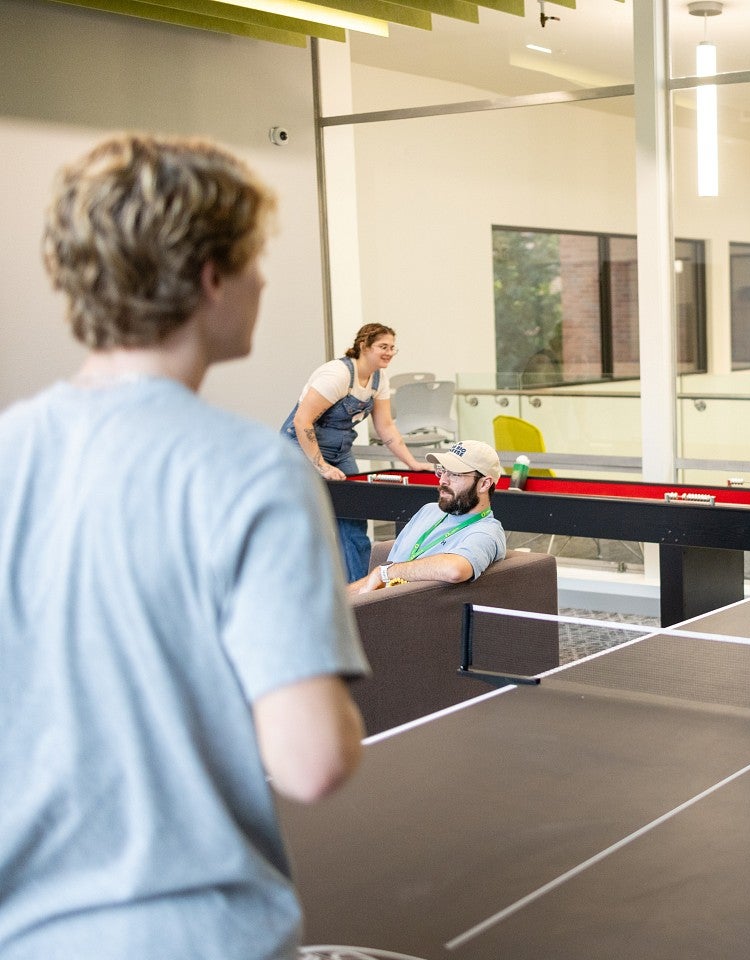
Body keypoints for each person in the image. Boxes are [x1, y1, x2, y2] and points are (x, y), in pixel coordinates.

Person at [0, 134, 368, 959]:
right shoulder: (255, 473)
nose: (263, 281)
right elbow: (311, 762)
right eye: (253, 260)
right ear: (211, 278)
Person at [281, 322, 432, 581]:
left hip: (340, 451)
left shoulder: (378, 378)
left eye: (393, 348)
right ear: (364, 346)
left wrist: (412, 463)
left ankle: (360, 590)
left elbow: (386, 427)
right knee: (303, 521)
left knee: (354, 519)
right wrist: (321, 466)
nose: (389, 353)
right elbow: (302, 421)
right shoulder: (336, 375)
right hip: (301, 449)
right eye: (383, 347)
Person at [349, 439, 507, 593]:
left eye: (455, 474)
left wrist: (386, 572)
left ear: (485, 484)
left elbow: (455, 570)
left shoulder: (486, 532)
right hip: (378, 601)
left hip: (406, 612)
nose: (443, 480)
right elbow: (380, 574)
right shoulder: (429, 510)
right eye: (443, 471)